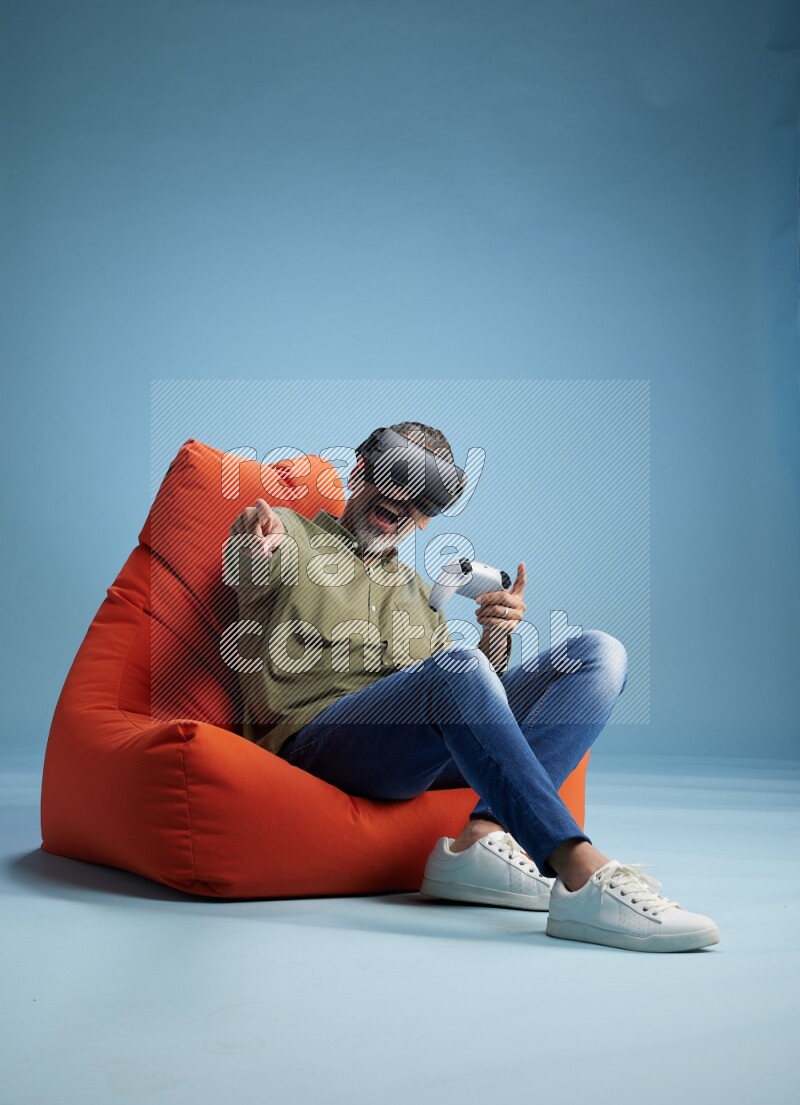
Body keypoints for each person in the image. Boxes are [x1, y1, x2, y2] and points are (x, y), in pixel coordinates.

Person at [227, 421, 720, 953]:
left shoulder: (422, 595)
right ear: (362, 470)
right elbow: (248, 573)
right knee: (457, 667)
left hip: (410, 754)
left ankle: (482, 837)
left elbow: (466, 705)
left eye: (427, 499)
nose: (403, 505)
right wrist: (256, 551)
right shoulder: (291, 536)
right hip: (320, 742)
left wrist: (495, 637)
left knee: (599, 653)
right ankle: (578, 871)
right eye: (396, 477)